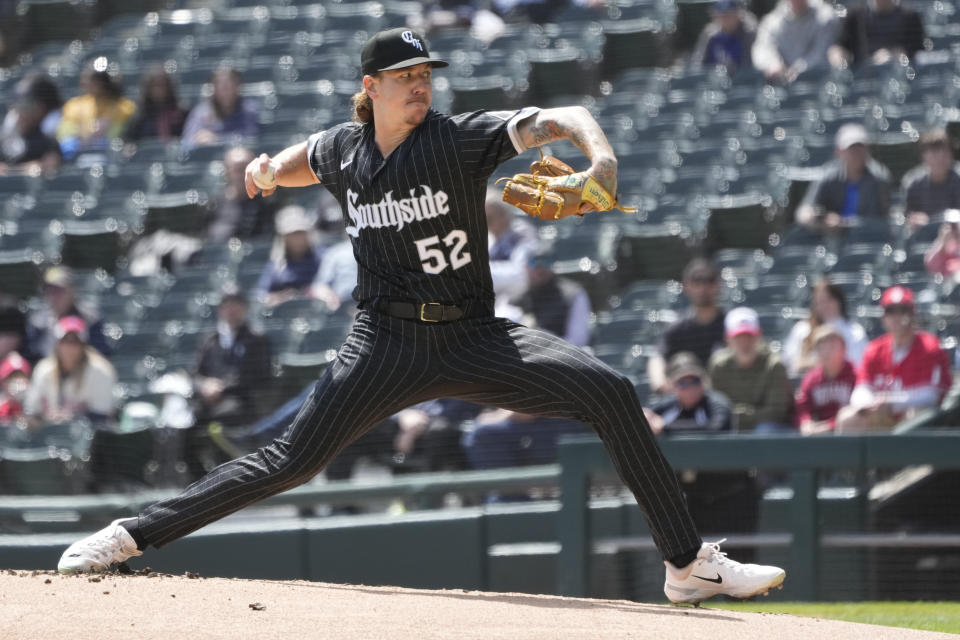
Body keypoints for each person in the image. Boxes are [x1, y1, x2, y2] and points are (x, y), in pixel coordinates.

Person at [57, 27, 784, 605]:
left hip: (473, 335)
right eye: (408, 79)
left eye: (427, 77)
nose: (422, 88)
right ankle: (127, 536)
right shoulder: (346, 150)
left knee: (612, 393)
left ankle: (687, 566)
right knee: (290, 460)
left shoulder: (456, 140)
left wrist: (599, 164)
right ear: (370, 88)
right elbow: (303, 158)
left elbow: (569, 117)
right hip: (386, 342)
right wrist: (265, 171)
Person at [644, 352, 760, 548]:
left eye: (694, 381)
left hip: (730, 495)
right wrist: (645, 416)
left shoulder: (717, 402)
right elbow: (645, 415)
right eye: (683, 382)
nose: (689, 388)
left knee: (736, 557)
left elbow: (717, 429)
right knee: (693, 560)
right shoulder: (668, 406)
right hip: (691, 498)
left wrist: (665, 428)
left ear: (703, 381)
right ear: (673, 385)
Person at [835, 286, 952, 433]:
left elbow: (931, 396)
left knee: (916, 414)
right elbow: (860, 390)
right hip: (881, 412)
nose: (896, 317)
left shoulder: (930, 347)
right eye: (890, 311)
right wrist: (871, 404)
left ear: (913, 314)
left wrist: (891, 402)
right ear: (884, 317)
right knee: (847, 417)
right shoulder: (874, 349)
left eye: (903, 310)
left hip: (915, 415)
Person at [187, 288, 273, 480]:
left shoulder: (256, 338)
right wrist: (204, 386)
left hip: (240, 401)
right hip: (207, 402)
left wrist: (222, 387)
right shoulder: (209, 340)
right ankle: (199, 482)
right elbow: (195, 374)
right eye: (227, 305)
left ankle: (233, 477)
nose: (232, 310)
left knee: (225, 419)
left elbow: (259, 375)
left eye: (236, 305)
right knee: (185, 424)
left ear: (245, 309)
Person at [708, 306, 795, 433]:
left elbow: (776, 413)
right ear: (727, 338)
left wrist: (738, 415)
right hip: (731, 430)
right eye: (738, 337)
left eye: (749, 336)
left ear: (759, 335)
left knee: (764, 430)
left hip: (770, 434)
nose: (744, 343)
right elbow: (716, 408)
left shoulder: (774, 365)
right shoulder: (719, 366)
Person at [648, 257, 726, 394]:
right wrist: (661, 385)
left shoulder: (731, 325)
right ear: (686, 286)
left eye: (709, 280)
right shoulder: (677, 329)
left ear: (718, 285)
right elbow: (657, 358)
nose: (703, 288)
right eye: (697, 281)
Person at [796, 123, 892, 231]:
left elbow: (881, 220)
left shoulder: (879, 178)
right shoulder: (827, 176)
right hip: (830, 240)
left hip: (867, 239)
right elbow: (804, 212)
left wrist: (842, 223)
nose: (857, 153)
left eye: (860, 148)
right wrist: (818, 220)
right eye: (851, 148)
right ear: (838, 151)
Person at [23, 316, 117, 424]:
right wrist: (47, 417)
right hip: (50, 435)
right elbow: (31, 411)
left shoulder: (101, 371)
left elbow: (102, 416)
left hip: (88, 436)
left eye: (75, 342)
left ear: (83, 345)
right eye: (65, 341)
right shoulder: (44, 369)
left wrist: (73, 417)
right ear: (57, 344)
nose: (69, 347)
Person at [781, 278, 868, 378]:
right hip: (806, 386)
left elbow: (858, 364)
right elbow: (789, 363)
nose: (825, 305)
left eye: (829, 300)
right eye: (819, 302)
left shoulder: (855, 331)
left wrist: (817, 364)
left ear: (839, 301)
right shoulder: (802, 329)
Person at [23, 266, 110, 364]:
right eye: (49, 290)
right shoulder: (37, 323)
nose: (53, 296)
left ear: (72, 291)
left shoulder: (91, 320)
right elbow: (31, 358)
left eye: (58, 291)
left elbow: (101, 355)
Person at [56, 61, 135, 161]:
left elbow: (120, 136)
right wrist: (84, 137)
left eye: (96, 81)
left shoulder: (124, 106)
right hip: (79, 149)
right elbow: (65, 133)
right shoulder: (74, 105)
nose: (90, 84)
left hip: (108, 153)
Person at [511, 251, 591, 347]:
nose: (540, 269)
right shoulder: (513, 297)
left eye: (546, 262)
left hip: (560, 358)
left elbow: (578, 342)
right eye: (534, 263)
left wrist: (540, 336)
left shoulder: (573, 294)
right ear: (525, 267)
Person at [751, 0, 837, 82]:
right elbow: (761, 49)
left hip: (818, 81)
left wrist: (797, 69)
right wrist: (772, 63)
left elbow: (821, 53)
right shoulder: (772, 21)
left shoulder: (825, 16)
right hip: (781, 86)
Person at [255, 205, 324, 306]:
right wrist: (279, 297)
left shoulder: (323, 259)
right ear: (284, 237)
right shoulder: (277, 265)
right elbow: (261, 294)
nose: (298, 238)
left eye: (301, 232)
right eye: (293, 234)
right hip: (285, 315)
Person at [794, 325, 857, 435]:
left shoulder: (855, 375)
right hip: (817, 432)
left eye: (832, 347)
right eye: (821, 348)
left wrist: (829, 425)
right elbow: (802, 405)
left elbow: (858, 410)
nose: (826, 352)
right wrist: (806, 422)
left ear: (844, 350)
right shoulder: (812, 378)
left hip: (847, 432)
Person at [206, 146, 278, 242]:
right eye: (238, 170)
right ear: (227, 172)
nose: (243, 174)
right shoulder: (214, 204)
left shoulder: (265, 203)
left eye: (247, 169)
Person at [181, 66, 259, 151]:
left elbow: (250, 138)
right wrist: (198, 140)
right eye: (220, 86)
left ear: (237, 86)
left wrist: (218, 140)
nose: (225, 91)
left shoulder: (248, 109)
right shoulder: (201, 112)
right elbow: (187, 142)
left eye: (229, 86)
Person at [828, 0, 924, 68]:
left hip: (898, 76)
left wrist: (898, 54)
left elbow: (919, 51)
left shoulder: (909, 16)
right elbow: (839, 46)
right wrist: (838, 56)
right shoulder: (855, 14)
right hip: (862, 79)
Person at [486, 188, 537, 313]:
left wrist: (479, 273)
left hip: (520, 306)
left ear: (503, 215)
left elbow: (521, 273)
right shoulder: (487, 239)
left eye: (488, 219)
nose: (483, 223)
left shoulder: (522, 233)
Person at [0, 74, 62, 174]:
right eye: (17, 105)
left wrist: (9, 170)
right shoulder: (3, 139)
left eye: (26, 105)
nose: (20, 110)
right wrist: (24, 169)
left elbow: (49, 165)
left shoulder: (47, 140)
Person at [902, 129, 960, 231]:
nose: (940, 157)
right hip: (923, 240)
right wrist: (914, 219)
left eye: (945, 151)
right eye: (934, 152)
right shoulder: (913, 183)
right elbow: (906, 217)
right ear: (924, 155)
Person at [691, 0, 758, 74]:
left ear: (738, 14)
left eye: (728, 15)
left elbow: (750, 68)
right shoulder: (710, 34)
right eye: (720, 15)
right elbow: (697, 65)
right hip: (712, 82)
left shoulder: (749, 32)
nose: (724, 20)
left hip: (742, 81)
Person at [124, 65, 188, 142]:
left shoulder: (181, 113)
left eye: (162, 85)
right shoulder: (139, 116)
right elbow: (129, 142)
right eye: (155, 85)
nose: (158, 89)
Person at [924, 209, 960, 280]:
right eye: (951, 226)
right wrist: (942, 240)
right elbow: (931, 265)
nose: (953, 229)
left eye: (955, 225)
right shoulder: (946, 245)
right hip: (950, 286)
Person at [0, 351, 31, 423]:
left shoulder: (35, 407)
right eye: (12, 378)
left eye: (21, 377)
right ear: (3, 382)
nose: (17, 382)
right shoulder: (1, 408)